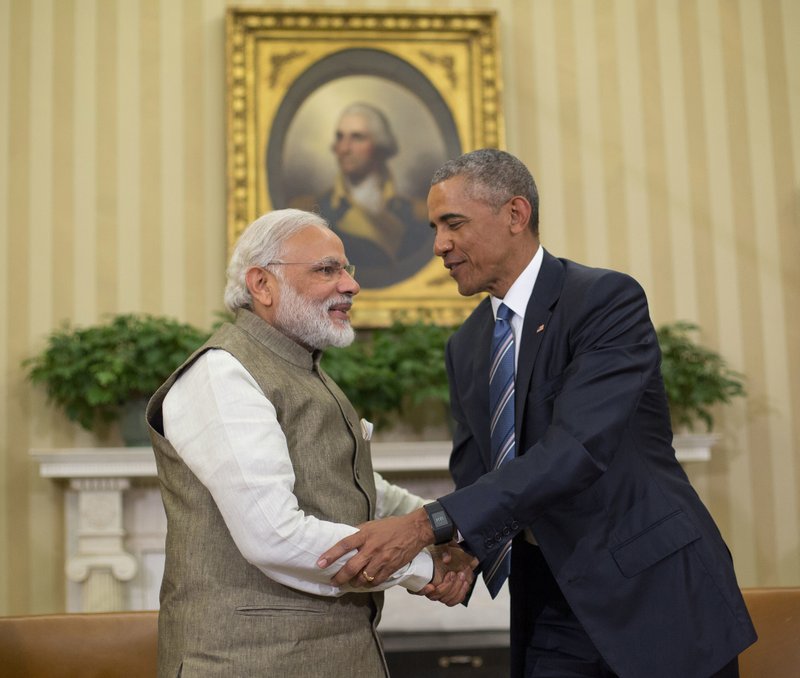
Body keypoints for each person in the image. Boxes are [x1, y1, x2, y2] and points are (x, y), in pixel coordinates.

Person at [318, 150, 757, 677]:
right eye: (435, 228)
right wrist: (465, 551)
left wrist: (426, 524)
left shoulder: (604, 302)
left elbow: (576, 450)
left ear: (515, 214)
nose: (439, 246)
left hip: (654, 595)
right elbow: (478, 472)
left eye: (453, 224)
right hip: (549, 603)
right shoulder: (468, 344)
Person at [146, 208, 475, 677]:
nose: (351, 285)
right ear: (262, 285)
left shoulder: (302, 366)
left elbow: (352, 485)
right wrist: (423, 566)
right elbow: (274, 536)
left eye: (346, 269)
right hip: (250, 663)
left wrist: (448, 526)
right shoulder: (222, 374)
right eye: (327, 269)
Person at [291, 102, 433, 289]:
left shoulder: (418, 213)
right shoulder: (309, 210)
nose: (344, 148)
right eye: (340, 137)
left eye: (357, 138)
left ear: (380, 146)